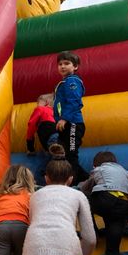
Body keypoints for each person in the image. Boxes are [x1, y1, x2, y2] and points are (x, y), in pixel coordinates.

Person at [22, 152, 95, 255]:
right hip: (65, 245)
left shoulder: (35, 196)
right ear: (70, 179)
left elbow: (32, 221)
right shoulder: (78, 195)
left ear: (46, 179)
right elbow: (90, 239)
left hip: (34, 246)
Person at [78, 151, 128, 255]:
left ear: (95, 165)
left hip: (106, 200)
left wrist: (78, 188)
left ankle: (93, 232)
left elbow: (85, 187)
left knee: (83, 199)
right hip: (123, 207)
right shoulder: (126, 172)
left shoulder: (99, 170)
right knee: (113, 247)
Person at [53, 51, 88, 183]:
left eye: (67, 63)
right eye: (60, 64)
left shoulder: (72, 81)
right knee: (66, 155)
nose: (62, 66)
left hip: (73, 123)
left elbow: (75, 101)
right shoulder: (64, 82)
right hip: (65, 124)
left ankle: (72, 184)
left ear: (75, 66)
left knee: (71, 155)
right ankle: (87, 179)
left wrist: (64, 118)